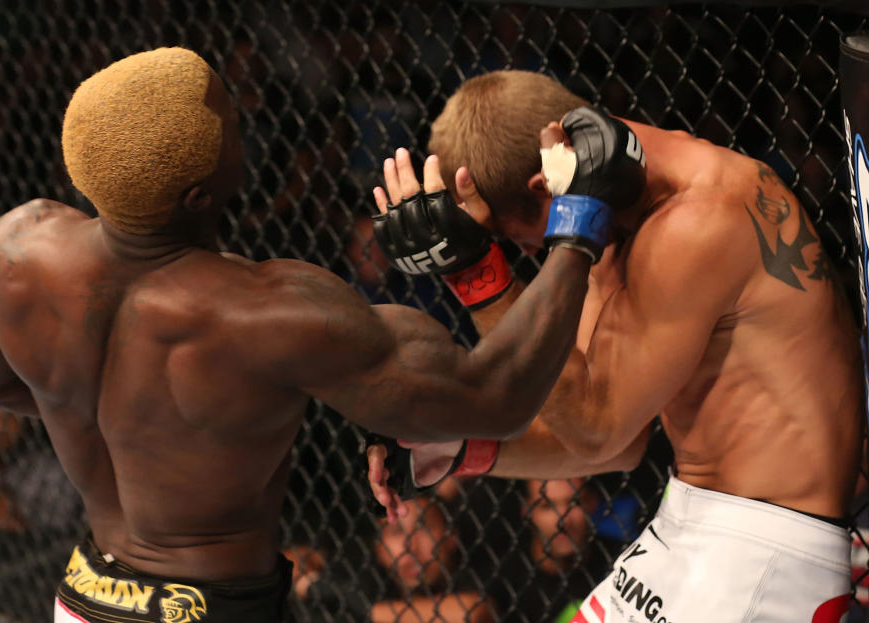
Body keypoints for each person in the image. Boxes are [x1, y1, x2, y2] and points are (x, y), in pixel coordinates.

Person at [0, 50, 613, 623]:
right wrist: (579, 220)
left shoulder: (16, 248)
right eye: (230, 121)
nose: (244, 120)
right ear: (202, 194)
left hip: (85, 596)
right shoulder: (271, 311)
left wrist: (93, 405)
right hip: (215, 604)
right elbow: (497, 395)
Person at [367, 69, 863, 621]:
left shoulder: (695, 221)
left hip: (760, 557)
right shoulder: (606, 207)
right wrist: (456, 449)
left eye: (514, 238)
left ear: (544, 188)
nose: (529, 255)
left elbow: (596, 427)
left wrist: (480, 279)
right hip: (689, 526)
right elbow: (603, 439)